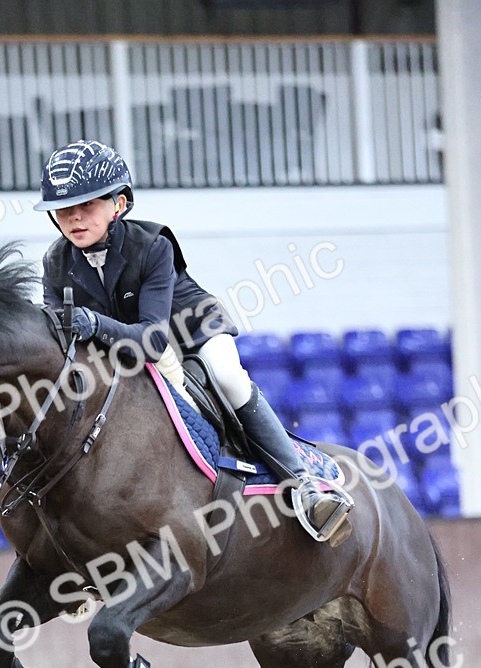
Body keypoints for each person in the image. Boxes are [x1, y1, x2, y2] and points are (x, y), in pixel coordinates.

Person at [35, 140, 352, 543]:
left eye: (89, 205)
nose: (75, 219)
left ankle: (303, 484)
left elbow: (152, 339)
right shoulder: (55, 261)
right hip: (121, 346)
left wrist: (94, 324)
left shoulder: (153, 246)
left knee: (228, 377)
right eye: (64, 210)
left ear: (118, 204)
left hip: (189, 331)